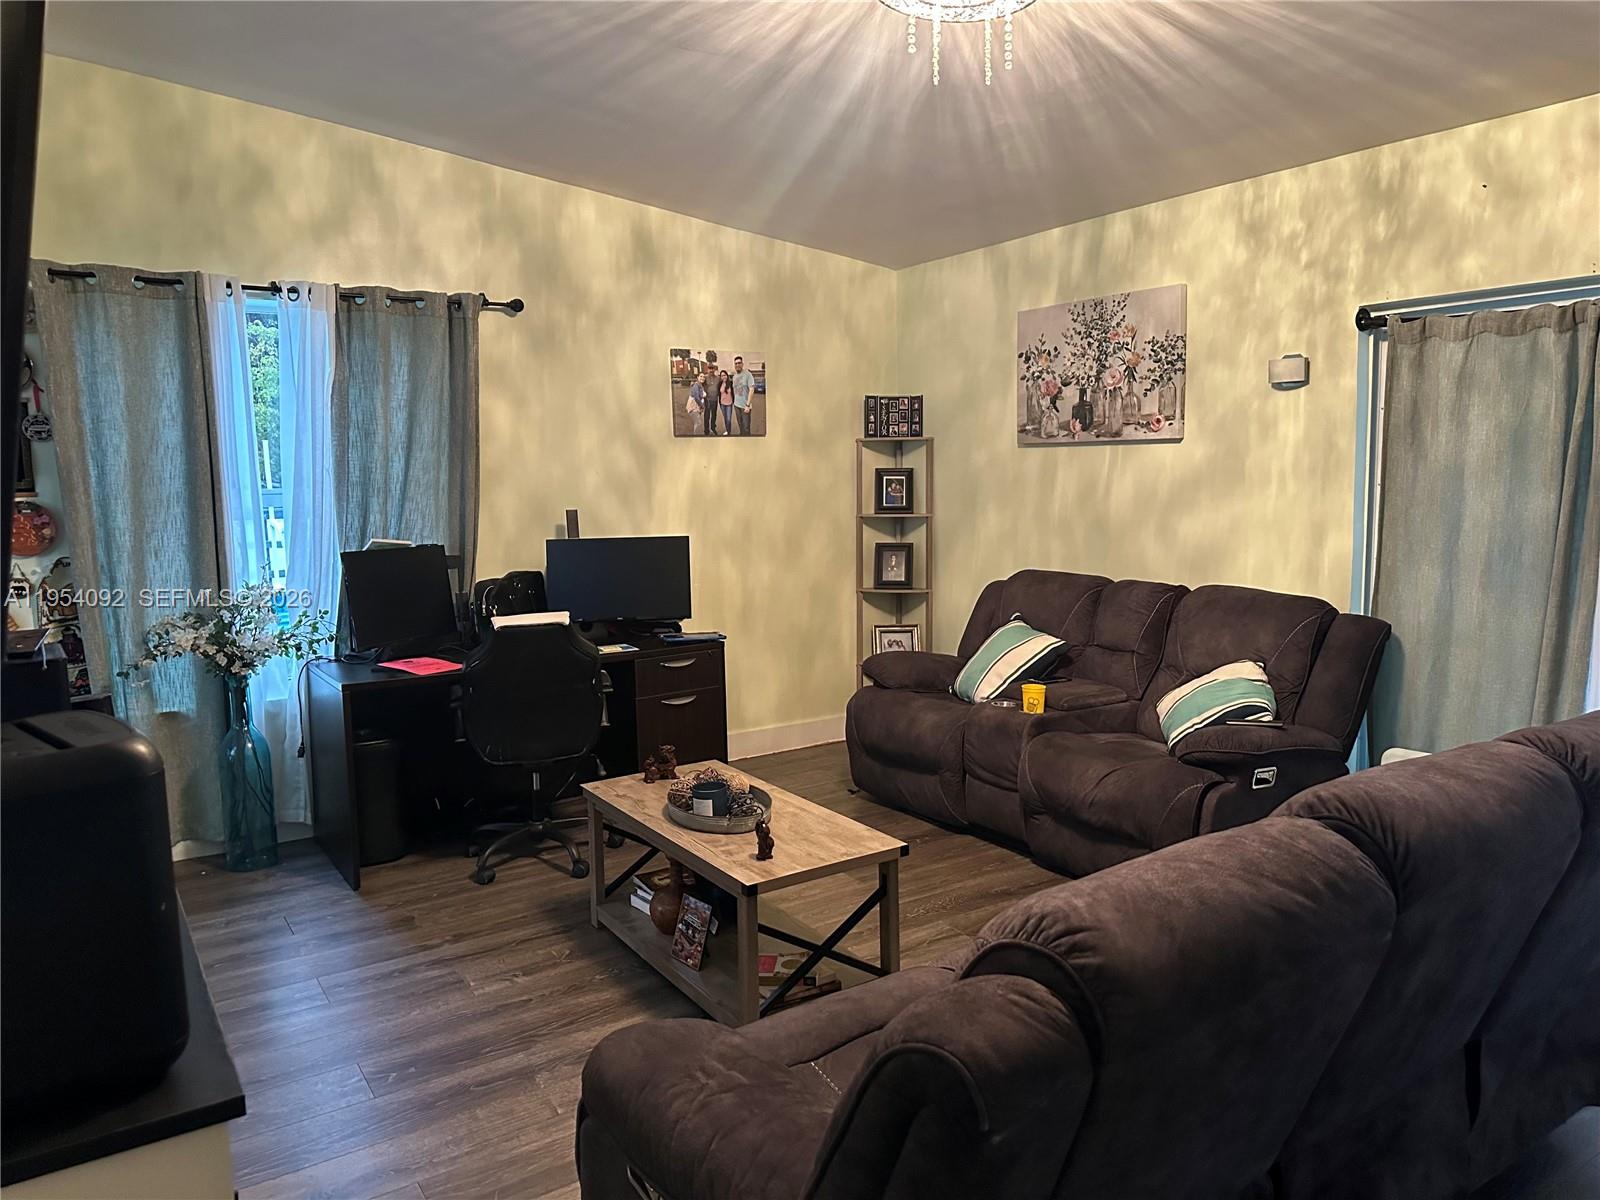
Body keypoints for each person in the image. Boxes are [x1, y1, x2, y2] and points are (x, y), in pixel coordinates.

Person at [731, 355, 756, 435]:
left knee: (746, 427)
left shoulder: (748, 374)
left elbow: (751, 389)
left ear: (742, 364)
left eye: (739, 363)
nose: (737, 365)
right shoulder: (734, 376)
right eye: (736, 363)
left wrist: (748, 405)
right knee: (740, 426)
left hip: (745, 406)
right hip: (736, 405)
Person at [717, 370, 735, 435]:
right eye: (722, 376)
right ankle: (727, 431)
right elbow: (719, 394)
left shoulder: (731, 383)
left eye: (724, 375)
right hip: (722, 404)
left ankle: (728, 431)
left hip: (729, 404)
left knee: (728, 419)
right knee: (725, 418)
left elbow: (734, 392)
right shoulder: (720, 384)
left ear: (727, 375)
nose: (723, 377)